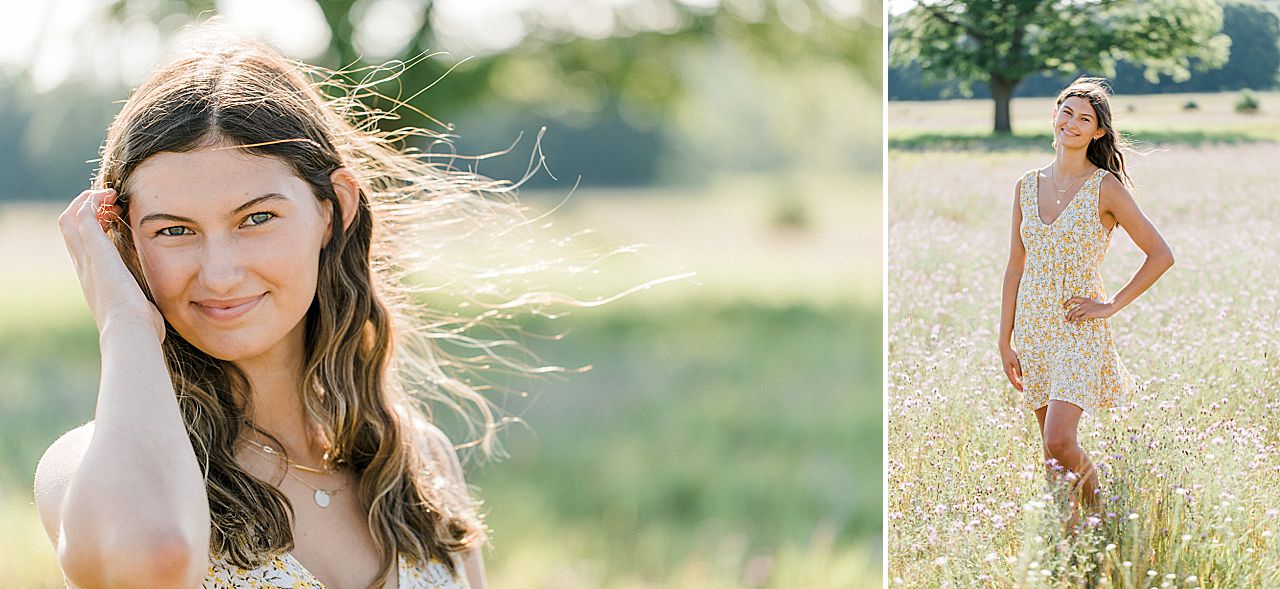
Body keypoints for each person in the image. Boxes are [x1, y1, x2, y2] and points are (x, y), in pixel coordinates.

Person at [29, 32, 541, 589]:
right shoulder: (86, 468)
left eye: (256, 219)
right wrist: (125, 323)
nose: (220, 273)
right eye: (173, 231)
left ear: (332, 211)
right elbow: (149, 557)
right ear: (125, 244)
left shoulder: (417, 465)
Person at [997, 77, 1175, 521]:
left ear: (1098, 132)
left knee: (1060, 440)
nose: (1071, 124)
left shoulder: (1105, 188)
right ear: (1054, 116)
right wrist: (1005, 339)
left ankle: (1107, 515)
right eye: (1066, 113)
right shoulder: (1025, 185)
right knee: (1051, 455)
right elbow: (1015, 266)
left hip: (1079, 328)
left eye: (1084, 119)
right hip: (1034, 328)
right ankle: (1073, 540)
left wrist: (1111, 304)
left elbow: (1161, 254)